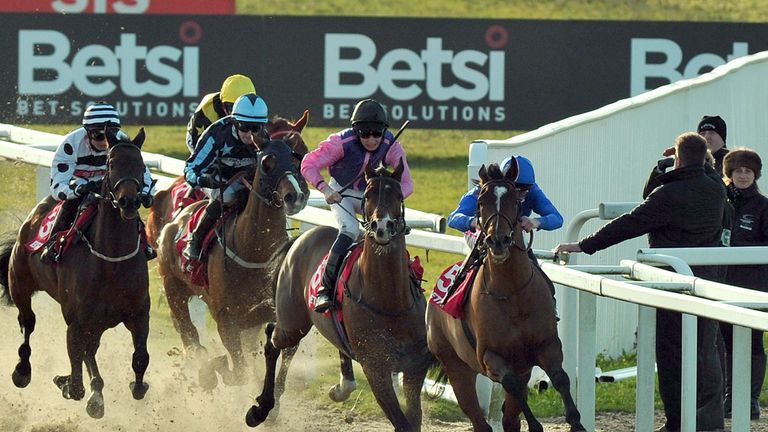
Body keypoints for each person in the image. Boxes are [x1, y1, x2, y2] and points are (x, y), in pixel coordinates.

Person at [555, 132, 725, 432]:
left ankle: (678, 422)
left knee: (673, 357)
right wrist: (686, 160)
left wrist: (584, 245)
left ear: (678, 159)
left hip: (673, 284)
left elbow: (630, 223)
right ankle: (707, 420)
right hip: (707, 282)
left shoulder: (669, 195)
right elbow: (702, 171)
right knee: (705, 352)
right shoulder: (715, 189)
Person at [301, 98, 414, 313]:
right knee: (351, 229)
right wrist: (325, 189)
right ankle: (325, 287)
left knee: (390, 229)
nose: (371, 140)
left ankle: (408, 286)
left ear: (384, 131)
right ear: (355, 131)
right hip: (341, 194)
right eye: (364, 134)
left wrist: (391, 197)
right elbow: (308, 164)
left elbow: (408, 184)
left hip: (371, 197)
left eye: (376, 134)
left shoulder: (393, 147)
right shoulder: (340, 143)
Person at [447, 155, 563, 315]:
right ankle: (456, 294)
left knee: (537, 271)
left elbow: (557, 218)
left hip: (512, 235)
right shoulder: (485, 190)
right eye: (517, 189)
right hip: (481, 233)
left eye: (526, 189)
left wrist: (536, 222)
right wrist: (475, 222)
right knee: (478, 256)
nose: (522, 194)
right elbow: (453, 218)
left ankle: (550, 308)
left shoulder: (532, 191)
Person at [40, 103, 156, 263]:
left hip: (112, 186)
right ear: (87, 132)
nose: (105, 141)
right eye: (98, 135)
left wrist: (146, 194)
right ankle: (52, 243)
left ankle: (144, 245)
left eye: (110, 134)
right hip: (81, 185)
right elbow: (58, 187)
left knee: (129, 205)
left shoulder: (121, 142)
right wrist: (79, 190)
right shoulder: (71, 144)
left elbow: (143, 173)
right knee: (69, 205)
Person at [182, 93, 268, 260]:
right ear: (234, 122)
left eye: (255, 128)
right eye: (244, 127)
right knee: (228, 195)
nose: (250, 134)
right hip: (214, 176)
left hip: (245, 176)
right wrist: (203, 180)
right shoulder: (216, 134)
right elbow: (190, 168)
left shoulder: (264, 136)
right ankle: (195, 239)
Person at [719, 148, 767, 420]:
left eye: (748, 171)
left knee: (752, 341)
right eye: (738, 170)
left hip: (753, 283)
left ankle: (749, 399)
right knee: (724, 341)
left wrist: (741, 247)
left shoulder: (763, 206)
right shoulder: (718, 201)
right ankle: (728, 397)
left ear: (755, 174)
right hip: (721, 282)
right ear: (730, 173)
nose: (743, 175)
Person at [185, 74, 261, 153]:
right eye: (232, 107)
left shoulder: (257, 109)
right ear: (222, 104)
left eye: (244, 107)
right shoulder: (205, 114)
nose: (237, 112)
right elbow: (198, 151)